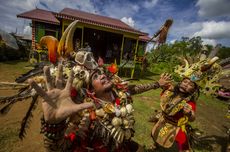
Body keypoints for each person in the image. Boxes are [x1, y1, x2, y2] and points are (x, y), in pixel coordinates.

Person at [28, 50, 170, 152]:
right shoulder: (88, 116)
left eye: (102, 73)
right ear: (91, 90)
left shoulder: (121, 93)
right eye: (96, 76)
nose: (102, 76)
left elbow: (138, 88)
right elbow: (60, 148)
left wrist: (158, 84)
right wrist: (54, 125)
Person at [150, 56, 221, 152]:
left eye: (190, 85)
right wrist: (163, 85)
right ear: (181, 82)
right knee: (155, 136)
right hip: (162, 121)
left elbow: (192, 118)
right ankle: (156, 147)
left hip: (175, 128)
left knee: (178, 147)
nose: (186, 85)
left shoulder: (190, 102)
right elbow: (165, 96)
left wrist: (189, 113)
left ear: (194, 90)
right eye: (185, 82)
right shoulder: (171, 91)